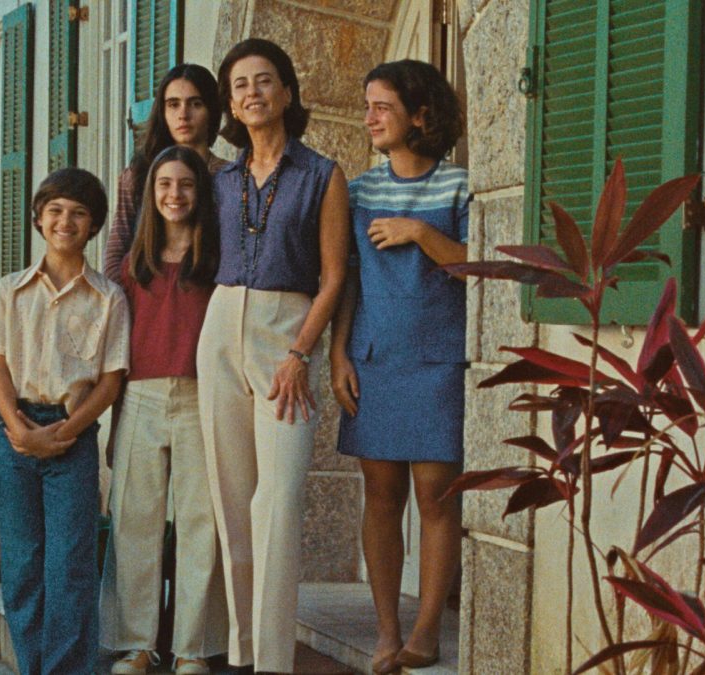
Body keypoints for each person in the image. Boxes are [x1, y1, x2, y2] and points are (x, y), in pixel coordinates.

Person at [197, 38, 349, 674]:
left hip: (288, 330)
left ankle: (274, 663)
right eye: (240, 85)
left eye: (264, 80)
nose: (252, 93)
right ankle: (244, 654)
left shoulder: (323, 175)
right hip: (221, 326)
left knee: (279, 503)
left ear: (287, 92)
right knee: (232, 505)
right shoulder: (220, 180)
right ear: (231, 105)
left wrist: (301, 353)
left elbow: (335, 278)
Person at [331, 59, 468, 674]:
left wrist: (419, 232)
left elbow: (476, 268)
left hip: (438, 363)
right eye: (367, 106)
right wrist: (338, 353)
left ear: (420, 115)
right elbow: (346, 280)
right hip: (374, 361)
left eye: (382, 106)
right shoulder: (358, 191)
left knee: (436, 497)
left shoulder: (458, 187)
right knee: (381, 497)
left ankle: (427, 630)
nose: (369, 117)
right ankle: (387, 632)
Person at [0, 167, 130, 675]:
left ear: (94, 225)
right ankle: (33, 667)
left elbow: (109, 381)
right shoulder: (10, 291)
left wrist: (64, 432)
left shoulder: (108, 297)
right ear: (39, 218)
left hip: (73, 437)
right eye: (56, 210)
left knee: (70, 565)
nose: (66, 221)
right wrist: (19, 430)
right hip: (14, 432)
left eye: (79, 213)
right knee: (22, 565)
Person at [99, 146, 227, 675]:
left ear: (201, 193)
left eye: (186, 184)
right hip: (141, 396)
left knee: (201, 521)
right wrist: (113, 423)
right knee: (135, 520)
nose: (175, 194)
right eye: (165, 185)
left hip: (201, 396)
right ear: (151, 194)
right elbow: (116, 347)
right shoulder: (135, 263)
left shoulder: (217, 260)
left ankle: (193, 646)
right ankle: (136, 644)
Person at [103, 63, 226, 282]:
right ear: (162, 111)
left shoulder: (229, 177)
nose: (183, 115)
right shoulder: (136, 176)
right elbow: (116, 251)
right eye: (173, 104)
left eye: (195, 104)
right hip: (144, 292)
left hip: (208, 292)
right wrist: (126, 296)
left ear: (211, 110)